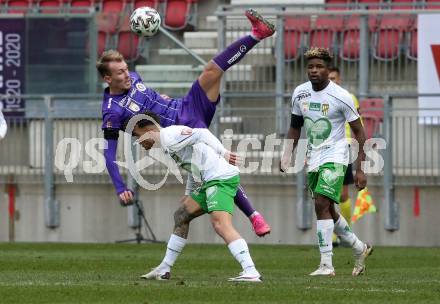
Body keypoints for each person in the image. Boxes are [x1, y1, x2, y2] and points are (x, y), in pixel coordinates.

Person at [96, 9, 274, 236]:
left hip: (185, 108)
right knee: (217, 169)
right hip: (180, 135)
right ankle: (254, 217)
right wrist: (120, 187)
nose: (126, 74)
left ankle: (258, 34)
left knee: (213, 70)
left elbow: (149, 97)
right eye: (120, 73)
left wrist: (162, 98)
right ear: (107, 79)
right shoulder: (112, 112)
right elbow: (109, 155)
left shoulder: (134, 77)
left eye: (125, 69)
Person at [132, 112, 261, 282]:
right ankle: (164, 268)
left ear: (146, 128)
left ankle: (251, 271)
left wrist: (224, 152)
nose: (137, 141)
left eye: (136, 134)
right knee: (181, 216)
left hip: (220, 178)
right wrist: (189, 193)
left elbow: (202, 133)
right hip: (210, 179)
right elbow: (195, 165)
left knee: (220, 224)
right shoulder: (166, 142)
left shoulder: (171, 136)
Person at [280, 48, 372, 276]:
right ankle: (359, 248)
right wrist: (286, 154)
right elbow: (294, 127)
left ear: (328, 69)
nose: (314, 70)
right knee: (328, 208)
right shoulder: (300, 94)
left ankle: (326, 265)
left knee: (321, 203)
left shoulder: (342, 96)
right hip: (313, 157)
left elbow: (360, 133)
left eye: (319, 66)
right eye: (310, 66)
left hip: (336, 155)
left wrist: (360, 169)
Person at [328, 67, 360, 245]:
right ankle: (334, 233)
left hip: (344, 147)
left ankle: (344, 230)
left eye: (334, 78)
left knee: (342, 195)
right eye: (329, 77)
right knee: (327, 195)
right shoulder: (321, 97)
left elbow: (358, 126)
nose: (332, 80)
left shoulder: (348, 97)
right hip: (324, 149)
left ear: (339, 79)